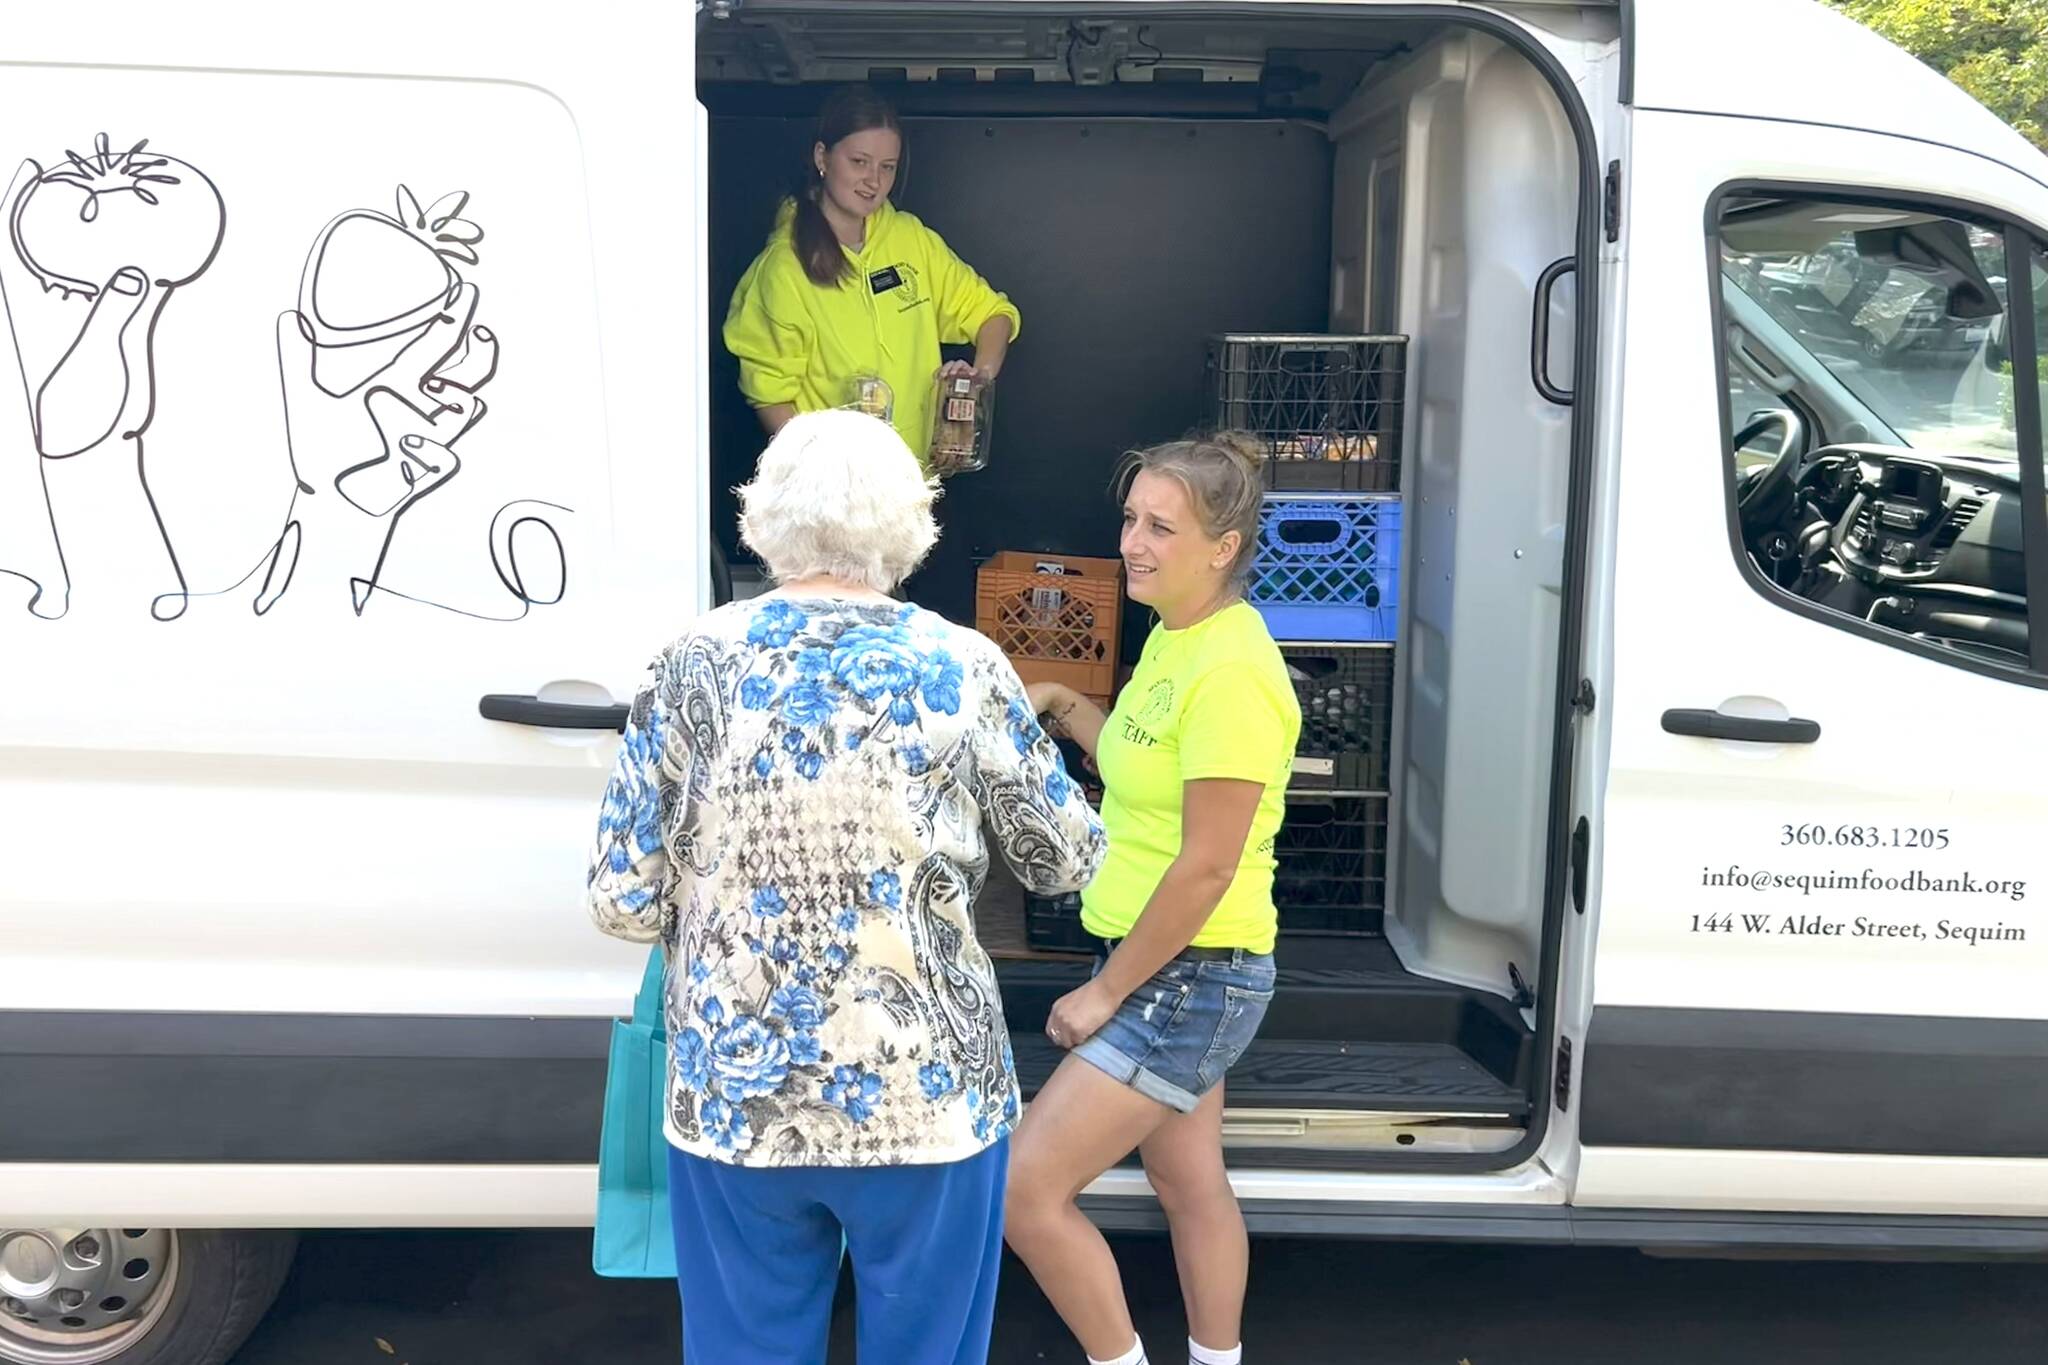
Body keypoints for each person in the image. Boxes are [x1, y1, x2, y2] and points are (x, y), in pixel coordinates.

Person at [585, 409, 1105, 1365]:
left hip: (737, 1098)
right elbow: (1065, 861)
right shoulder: (964, 664)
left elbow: (622, 897)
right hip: (928, 1095)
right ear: (908, 527)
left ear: (763, 519)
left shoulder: (687, 662)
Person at [1004, 433, 1301, 1365]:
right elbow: (1140, 766)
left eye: (1161, 527)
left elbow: (1207, 865)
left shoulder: (1231, 674)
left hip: (1186, 975)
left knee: (1022, 1187)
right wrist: (1058, 698)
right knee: (1187, 1178)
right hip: (1164, 963)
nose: (1134, 541)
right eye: (1131, 518)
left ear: (1224, 545)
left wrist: (1104, 992)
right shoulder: (1178, 639)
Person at [722, 84, 1019, 466]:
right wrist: (824, 474)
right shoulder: (784, 268)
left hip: (914, 487)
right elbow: (770, 395)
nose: (874, 181)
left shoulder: (909, 239)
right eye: (859, 162)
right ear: (822, 157)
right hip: (835, 497)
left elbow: (993, 313)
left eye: (887, 167)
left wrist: (977, 381)